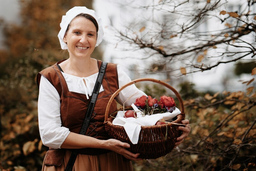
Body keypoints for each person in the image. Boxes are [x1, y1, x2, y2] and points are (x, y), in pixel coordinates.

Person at [37, 6, 191, 171]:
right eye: (77, 33)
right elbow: (50, 135)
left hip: (112, 163)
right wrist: (103, 144)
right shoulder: (51, 78)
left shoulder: (112, 73)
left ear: (97, 38)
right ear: (65, 36)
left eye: (90, 34)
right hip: (71, 163)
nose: (84, 40)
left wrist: (175, 124)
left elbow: (147, 108)